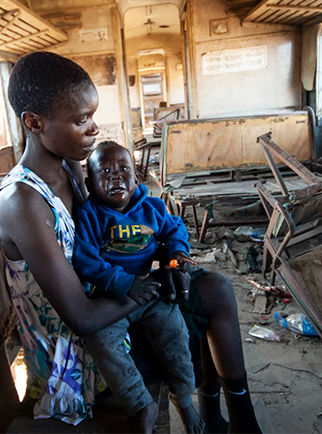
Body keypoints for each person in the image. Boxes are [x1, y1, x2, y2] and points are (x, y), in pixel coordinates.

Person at [0, 51, 263, 434]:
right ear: (34, 122)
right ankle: (193, 406)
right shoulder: (22, 200)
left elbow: (111, 226)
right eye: (81, 119)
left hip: (111, 299)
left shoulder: (70, 168)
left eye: (92, 115)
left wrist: (174, 261)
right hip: (77, 342)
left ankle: (231, 418)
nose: (93, 129)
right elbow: (81, 317)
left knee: (212, 288)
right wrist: (149, 288)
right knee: (185, 311)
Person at [72, 141, 204, 434]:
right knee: (102, 342)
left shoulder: (153, 207)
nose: (116, 177)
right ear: (90, 184)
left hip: (151, 289)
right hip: (111, 298)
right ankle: (141, 404)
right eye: (104, 171)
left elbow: (175, 230)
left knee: (176, 333)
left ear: (136, 177)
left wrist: (177, 255)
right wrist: (123, 283)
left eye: (123, 169)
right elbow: (85, 260)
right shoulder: (90, 215)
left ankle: (183, 397)